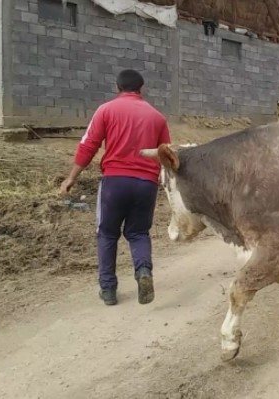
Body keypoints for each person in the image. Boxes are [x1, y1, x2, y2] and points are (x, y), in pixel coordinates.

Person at [59, 69, 171, 306]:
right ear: (141, 89)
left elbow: (88, 145)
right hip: (146, 184)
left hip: (115, 182)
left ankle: (108, 289)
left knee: (107, 233)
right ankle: (143, 273)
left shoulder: (106, 110)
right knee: (139, 233)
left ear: (117, 88)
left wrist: (71, 177)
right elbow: (166, 154)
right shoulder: (158, 117)